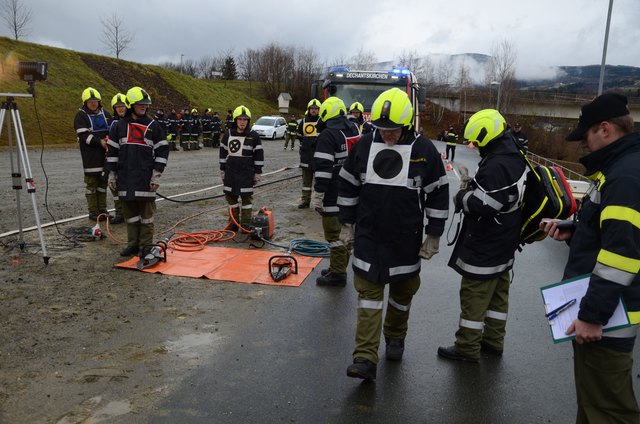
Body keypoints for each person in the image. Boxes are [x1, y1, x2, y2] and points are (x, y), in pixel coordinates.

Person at [540, 93, 640, 423]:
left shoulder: (624, 177)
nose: (583, 145)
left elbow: (621, 256)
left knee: (608, 411)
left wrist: (592, 316)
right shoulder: (618, 168)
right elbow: (611, 232)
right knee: (594, 404)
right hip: (606, 314)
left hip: (608, 320)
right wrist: (576, 230)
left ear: (606, 129)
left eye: (585, 136)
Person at [340, 88, 449, 380]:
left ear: (407, 124)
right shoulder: (362, 147)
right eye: (383, 129)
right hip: (369, 237)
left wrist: (434, 234)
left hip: (405, 240)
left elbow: (438, 193)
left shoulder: (425, 152)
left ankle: (396, 336)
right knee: (368, 296)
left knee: (402, 295)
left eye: (394, 129)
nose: (388, 135)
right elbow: (348, 187)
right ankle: (364, 358)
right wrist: (346, 223)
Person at [437, 109, 527, 363]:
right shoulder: (513, 153)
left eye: (476, 142)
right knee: (498, 293)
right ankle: (493, 341)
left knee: (474, 294)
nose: (472, 146)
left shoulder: (498, 164)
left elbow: (486, 205)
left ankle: (467, 347)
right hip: (505, 237)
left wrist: (462, 195)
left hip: (487, 241)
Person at [105, 87, 169, 257]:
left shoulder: (153, 126)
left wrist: (156, 176)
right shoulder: (118, 126)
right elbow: (112, 152)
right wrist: (112, 174)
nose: (144, 106)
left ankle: (146, 246)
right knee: (130, 215)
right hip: (125, 177)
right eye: (140, 104)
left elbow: (162, 152)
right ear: (131, 104)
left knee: (146, 216)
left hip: (145, 178)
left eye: (146, 104)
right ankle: (133, 244)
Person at [310, 97, 360, 286]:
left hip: (334, 192)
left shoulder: (328, 135)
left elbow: (323, 169)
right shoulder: (354, 129)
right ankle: (337, 266)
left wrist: (318, 196)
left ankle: (338, 274)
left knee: (334, 234)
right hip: (353, 190)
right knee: (346, 232)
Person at [219, 105, 264, 230]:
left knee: (246, 200)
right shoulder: (227, 134)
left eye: (245, 119)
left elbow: (259, 155)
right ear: (235, 120)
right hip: (231, 172)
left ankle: (245, 224)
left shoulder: (254, 136)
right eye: (240, 119)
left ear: (248, 121)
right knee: (230, 198)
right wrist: (222, 170)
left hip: (246, 173)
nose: (242, 122)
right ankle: (233, 224)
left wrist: (257, 173)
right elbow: (223, 152)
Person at [73, 87, 113, 221]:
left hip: (104, 156)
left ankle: (103, 210)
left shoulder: (106, 114)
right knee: (91, 185)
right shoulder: (81, 116)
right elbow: (84, 136)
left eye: (95, 101)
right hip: (90, 157)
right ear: (85, 103)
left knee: (103, 184)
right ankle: (93, 212)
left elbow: (112, 130)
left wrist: (109, 141)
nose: (93, 103)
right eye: (90, 102)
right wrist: (100, 142)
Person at [102, 93, 129, 225]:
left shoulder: (132, 121)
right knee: (115, 187)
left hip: (129, 161)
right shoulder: (113, 123)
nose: (120, 108)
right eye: (118, 106)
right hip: (116, 160)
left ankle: (131, 213)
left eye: (122, 106)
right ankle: (120, 213)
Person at [296, 99, 322, 208]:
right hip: (306, 156)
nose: (314, 111)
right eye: (312, 109)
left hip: (319, 156)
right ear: (309, 109)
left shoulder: (322, 121)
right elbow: (299, 135)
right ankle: (305, 201)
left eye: (316, 109)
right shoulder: (303, 121)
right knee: (306, 182)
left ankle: (319, 203)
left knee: (320, 181)